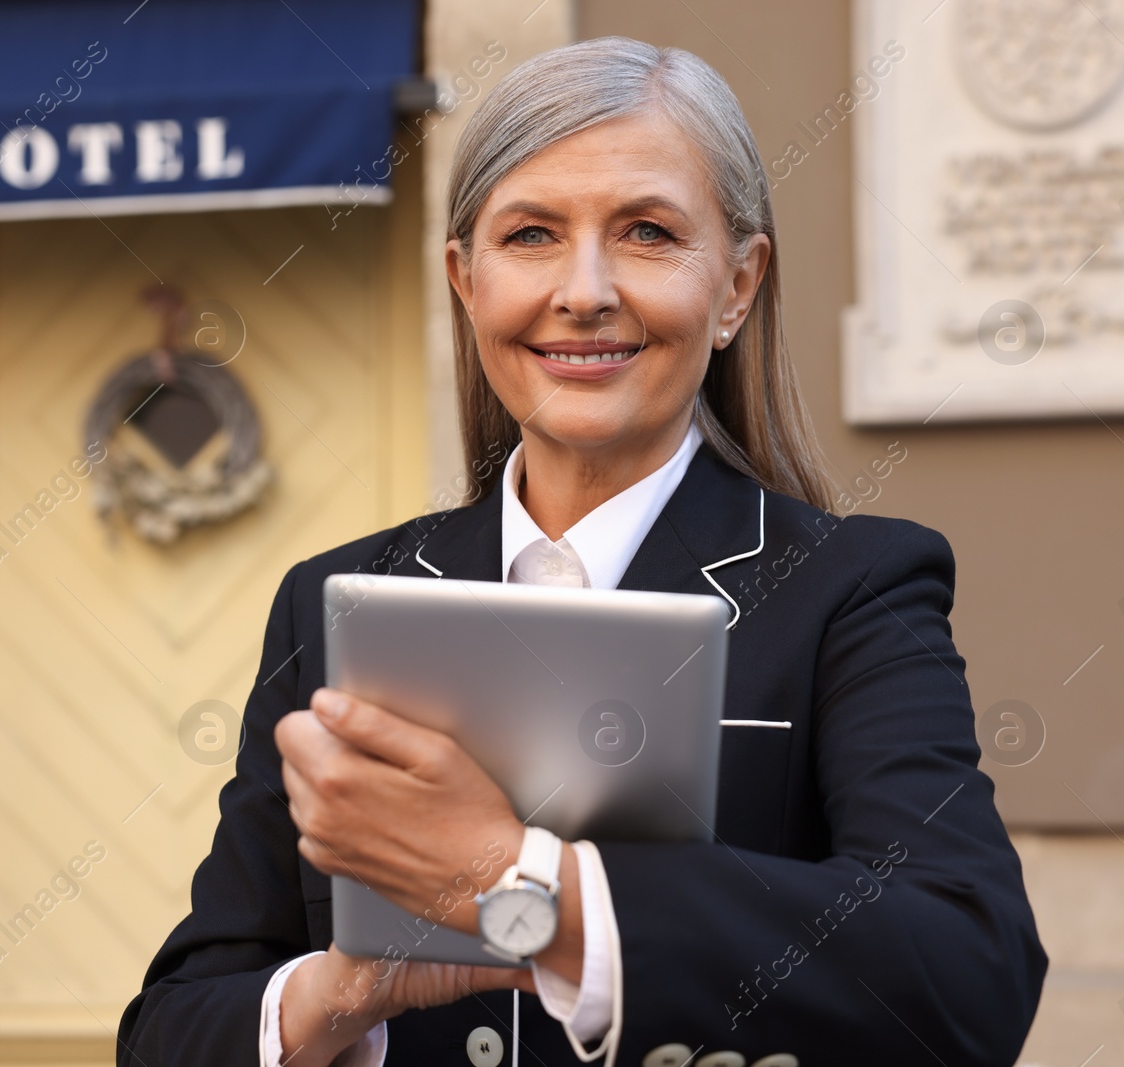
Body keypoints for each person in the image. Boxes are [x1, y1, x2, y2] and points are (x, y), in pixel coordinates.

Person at [117, 36, 1046, 1067]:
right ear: (467, 281)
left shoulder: (852, 589)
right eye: (531, 235)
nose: (585, 289)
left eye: (647, 232)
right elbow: (171, 1029)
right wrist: (346, 989)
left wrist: (518, 885)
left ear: (737, 284)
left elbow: (969, 973)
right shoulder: (328, 602)